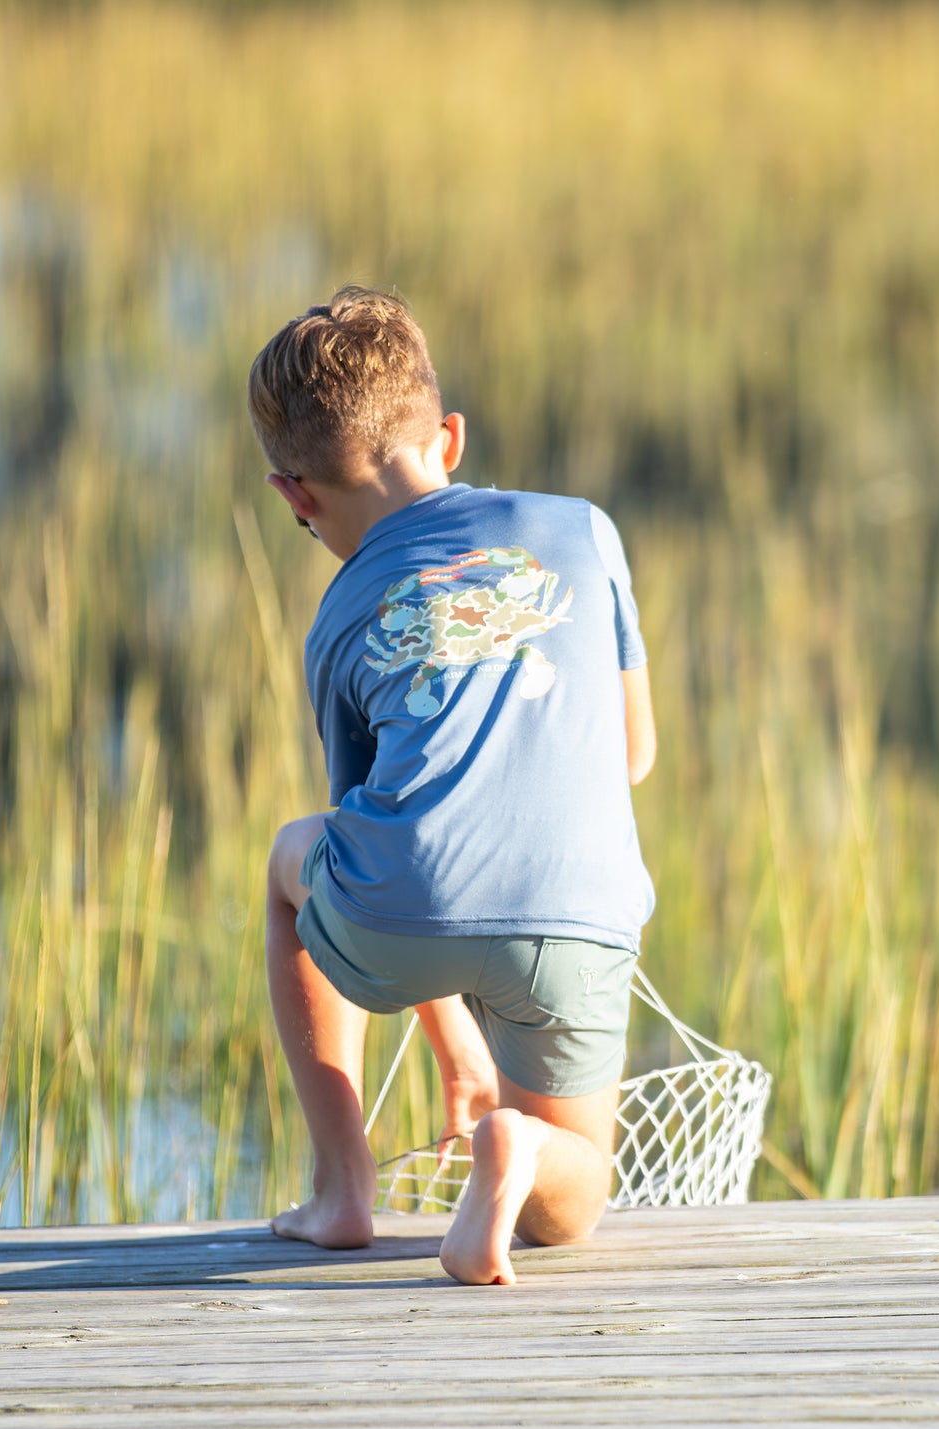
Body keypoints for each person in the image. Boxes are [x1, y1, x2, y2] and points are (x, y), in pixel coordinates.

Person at [247, 286, 656, 1285]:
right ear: (452, 437)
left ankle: (342, 1191)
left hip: (405, 913)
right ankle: (517, 1151)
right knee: (573, 1204)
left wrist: (447, 1027)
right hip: (580, 917)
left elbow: (382, 838)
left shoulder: (338, 618)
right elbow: (634, 752)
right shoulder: (584, 529)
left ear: (294, 495)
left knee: (290, 863)